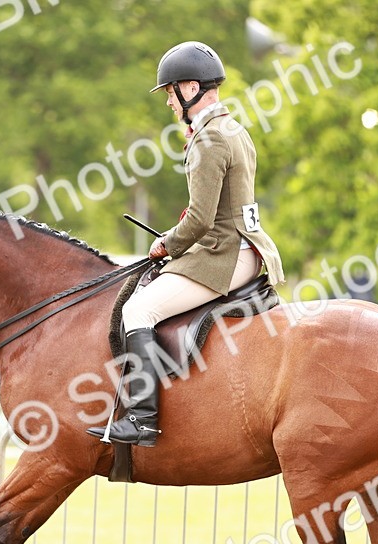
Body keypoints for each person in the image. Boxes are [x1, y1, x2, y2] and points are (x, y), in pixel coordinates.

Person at [87, 41, 283, 448]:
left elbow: (200, 220)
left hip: (223, 255)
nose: (170, 106)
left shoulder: (210, 139)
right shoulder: (233, 128)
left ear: (191, 87)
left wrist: (165, 245)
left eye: (171, 95)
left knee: (138, 308)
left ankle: (141, 418)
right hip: (245, 247)